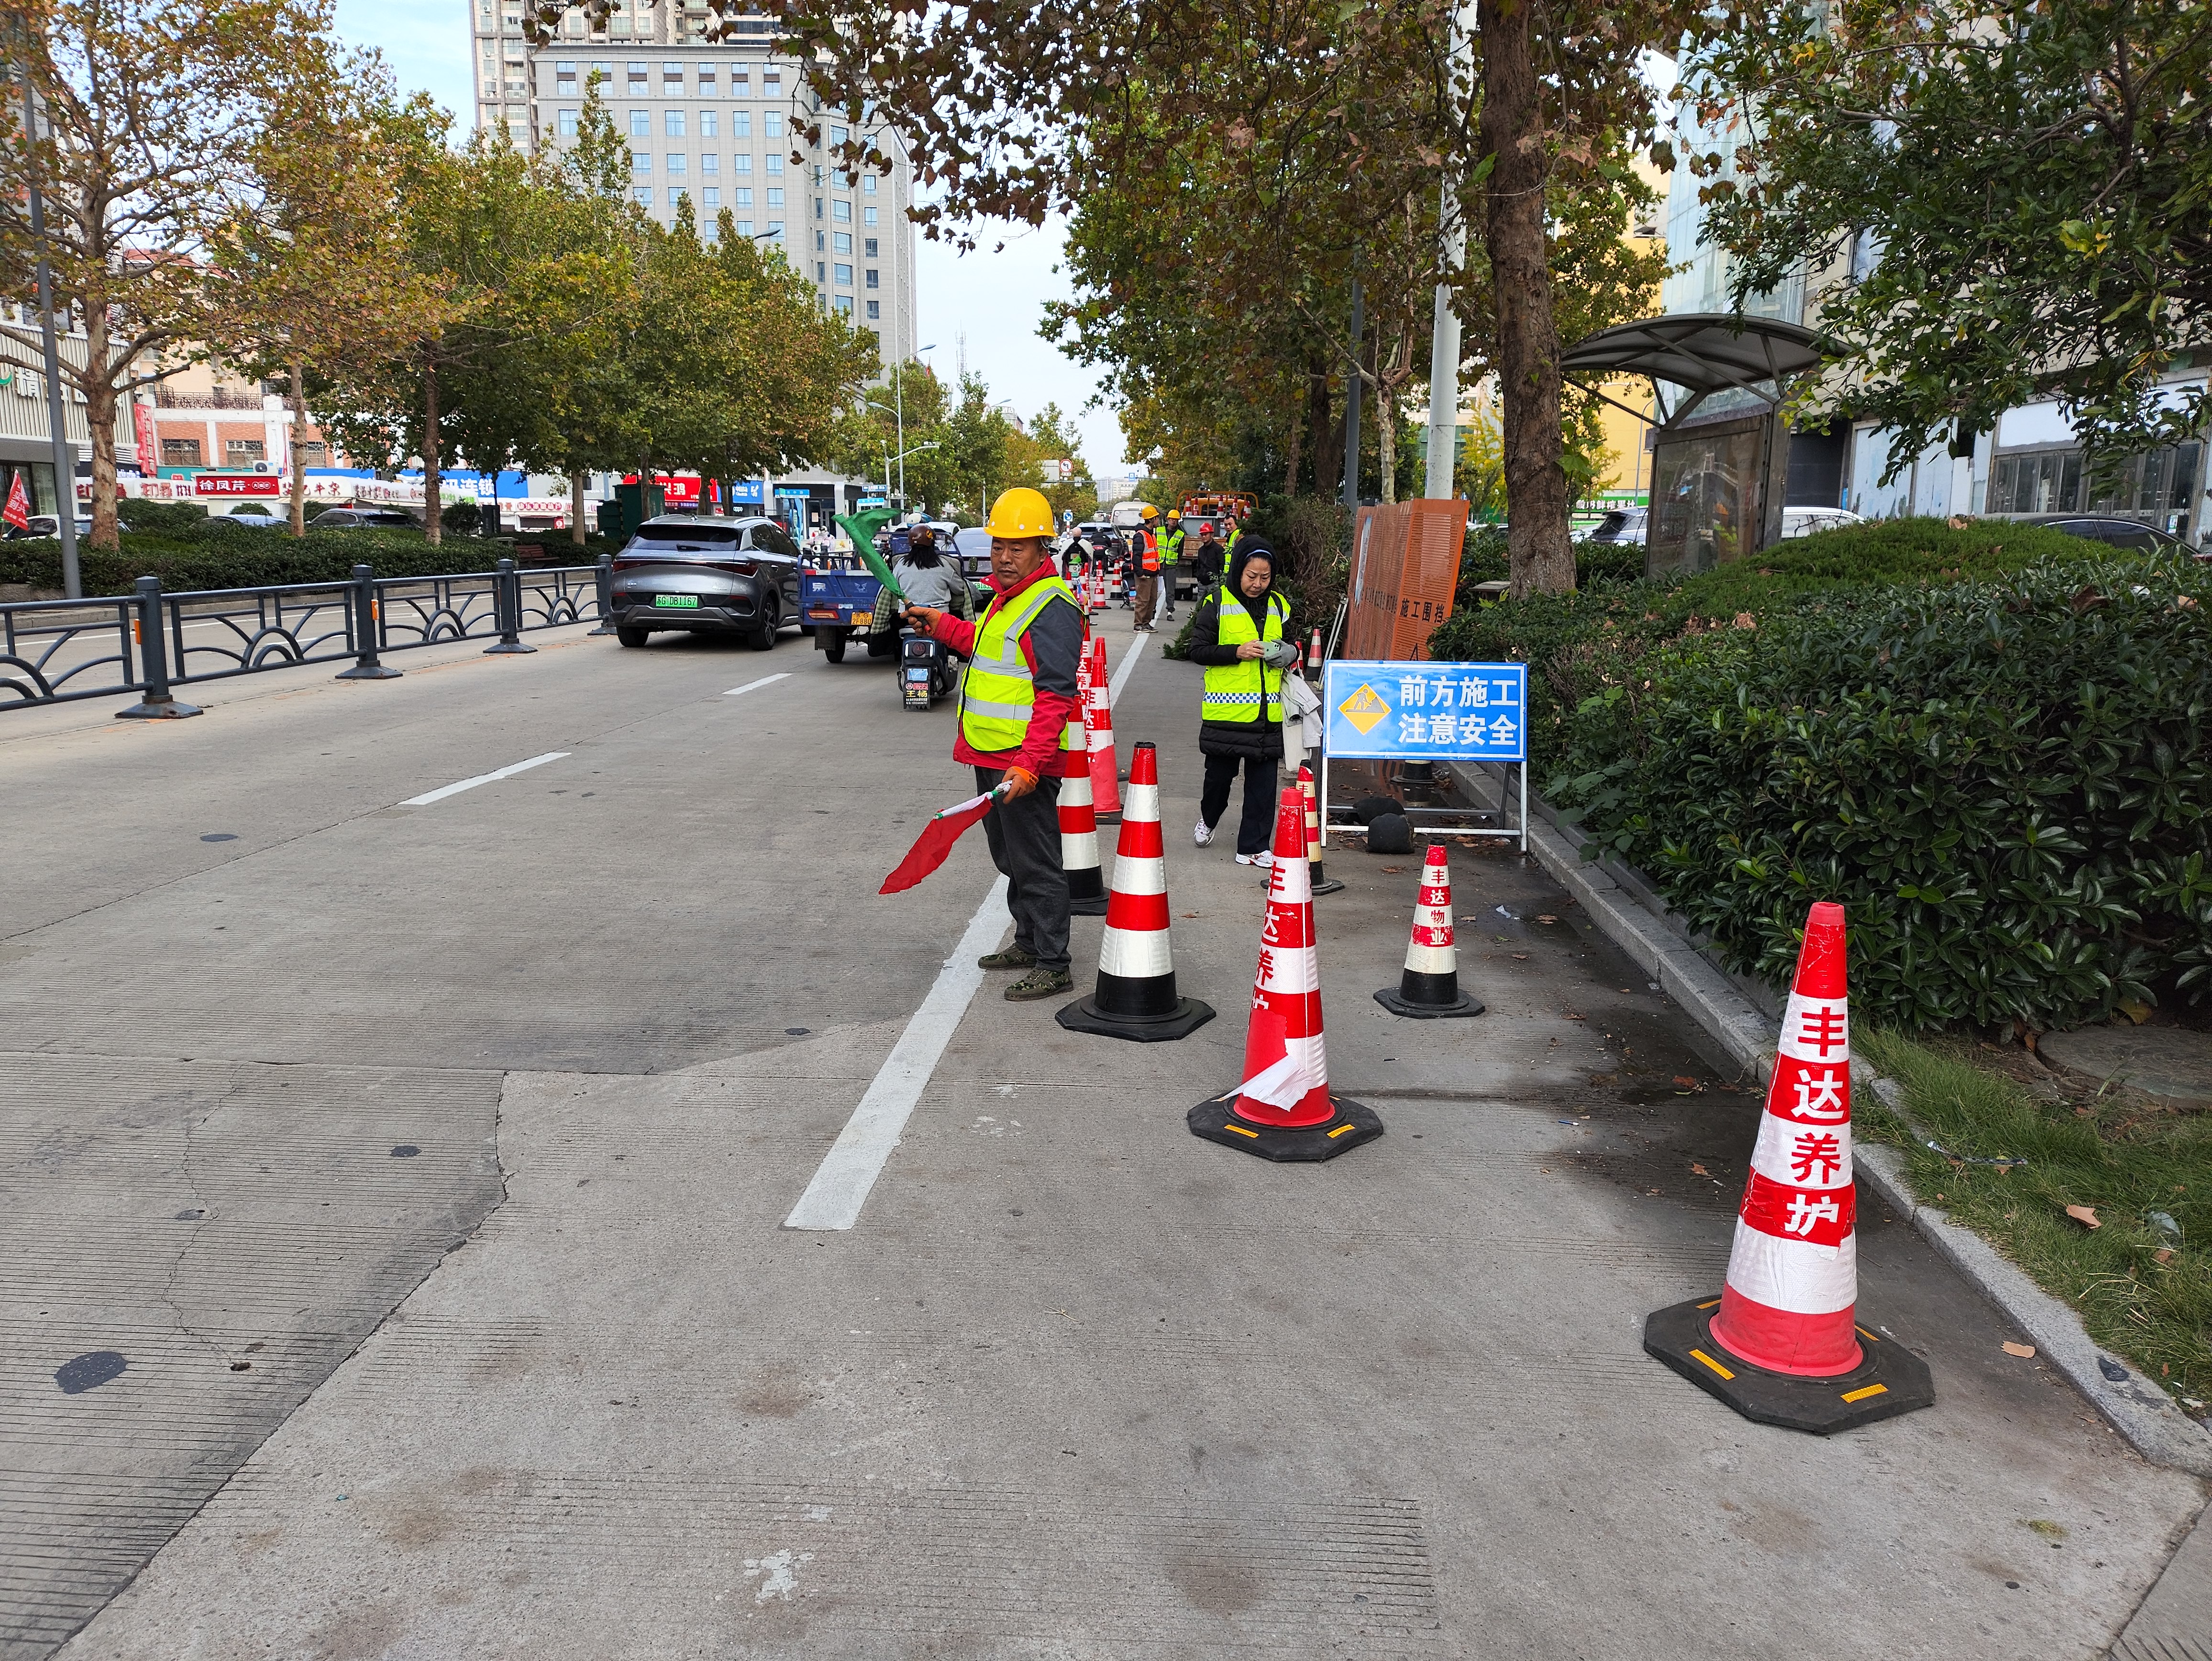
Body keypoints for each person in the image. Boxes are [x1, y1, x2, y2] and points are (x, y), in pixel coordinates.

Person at [902, 487, 1086, 1000]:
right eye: (999, 546)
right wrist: (941, 624)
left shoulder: (1050, 607)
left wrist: (1029, 764)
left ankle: (1053, 962)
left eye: (1017, 548)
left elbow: (1055, 695)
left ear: (1042, 549)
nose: (1004, 557)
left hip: (1022, 763)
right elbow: (983, 647)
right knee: (1010, 859)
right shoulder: (1009, 600)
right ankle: (1028, 942)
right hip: (992, 754)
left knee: (1036, 863)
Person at [1187, 542, 1294, 865]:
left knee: (1264, 787)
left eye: (1265, 577)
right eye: (1251, 576)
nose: (1258, 584)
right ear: (1238, 572)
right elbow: (1197, 650)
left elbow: (1292, 645)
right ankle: (1209, 818)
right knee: (1218, 781)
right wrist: (1237, 652)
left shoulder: (1279, 605)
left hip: (1268, 714)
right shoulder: (1217, 602)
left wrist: (1287, 654)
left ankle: (1253, 847)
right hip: (1227, 715)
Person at [1130, 518, 1162, 632]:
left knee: (1152, 600)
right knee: (1143, 600)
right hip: (1145, 574)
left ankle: (1146, 623)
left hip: (1152, 573)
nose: (1158, 521)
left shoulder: (1151, 534)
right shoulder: (1141, 535)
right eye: (1156, 518)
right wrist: (1140, 573)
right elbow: (1137, 556)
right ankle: (1138, 625)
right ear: (1152, 520)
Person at [1158, 510, 1184, 624]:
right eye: (1172, 519)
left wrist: (1174, 562)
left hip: (1171, 566)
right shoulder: (1159, 531)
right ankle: (1153, 610)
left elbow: (1180, 552)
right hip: (1158, 565)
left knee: (1170, 590)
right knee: (1155, 590)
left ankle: (1170, 611)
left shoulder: (1180, 535)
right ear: (1168, 519)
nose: (1173, 521)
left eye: (1176, 520)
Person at [1193, 522, 1227, 592]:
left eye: (1206, 535)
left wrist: (1218, 581)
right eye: (1202, 535)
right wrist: (1199, 578)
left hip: (1214, 584)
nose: (1204, 537)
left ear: (1211, 535)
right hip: (1202, 584)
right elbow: (1199, 566)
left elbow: (1222, 566)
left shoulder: (1218, 549)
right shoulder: (1201, 550)